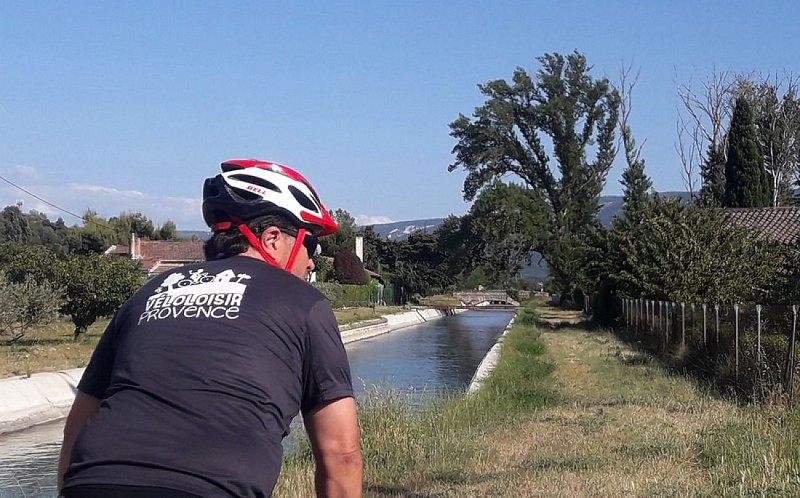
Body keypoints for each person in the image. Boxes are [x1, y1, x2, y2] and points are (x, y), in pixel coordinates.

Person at [58, 159, 363, 498]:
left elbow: (79, 422)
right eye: (310, 244)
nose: (311, 261)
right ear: (273, 238)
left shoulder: (148, 293)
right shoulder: (304, 302)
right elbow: (341, 455)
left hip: (90, 484)